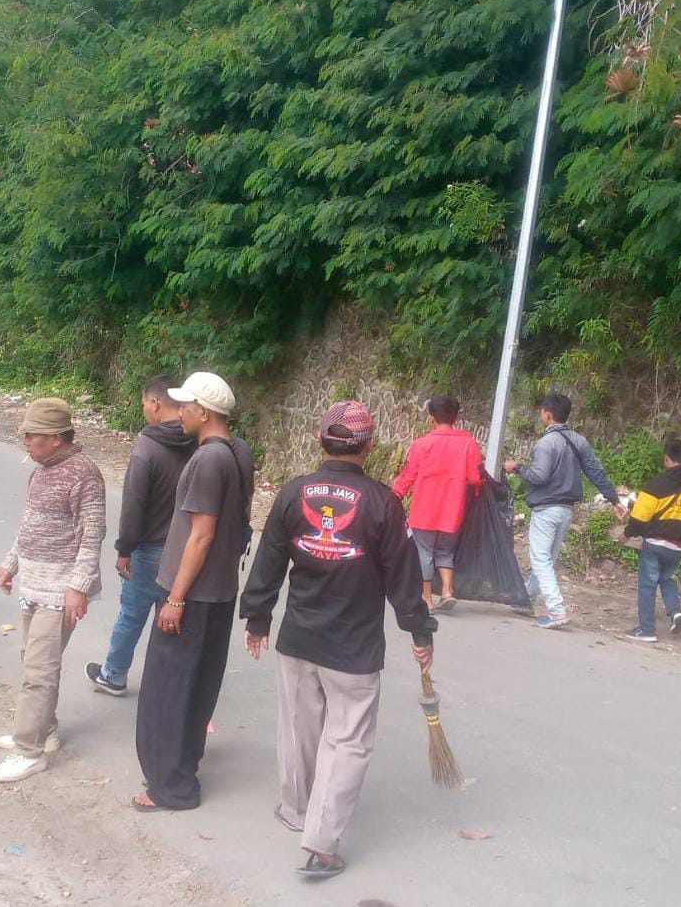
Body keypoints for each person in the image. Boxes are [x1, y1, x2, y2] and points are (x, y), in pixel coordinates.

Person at [241, 400, 436, 879]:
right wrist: (418, 629)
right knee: (347, 740)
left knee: (298, 728)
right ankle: (323, 846)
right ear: (369, 445)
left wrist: (257, 618)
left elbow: (268, 560)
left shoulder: (292, 493)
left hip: (298, 639)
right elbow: (402, 575)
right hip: (353, 649)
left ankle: (295, 809)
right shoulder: (384, 503)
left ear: (319, 440)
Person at [133, 371, 253, 813]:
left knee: (168, 690)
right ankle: (182, 767)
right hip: (220, 592)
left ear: (204, 412)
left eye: (185, 407)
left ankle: (170, 788)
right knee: (198, 685)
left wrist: (176, 598)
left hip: (192, 594)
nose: (178, 413)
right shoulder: (239, 452)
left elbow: (201, 535)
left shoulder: (206, 461)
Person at [0, 398, 106, 783]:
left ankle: (29, 751)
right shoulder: (40, 471)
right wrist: (11, 563)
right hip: (34, 582)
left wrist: (79, 586)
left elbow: (93, 535)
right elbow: (31, 524)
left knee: (39, 670)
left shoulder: (84, 475)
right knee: (32, 660)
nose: (25, 440)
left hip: (61, 588)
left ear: (56, 438)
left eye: (32, 435)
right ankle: (47, 730)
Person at [85, 375, 195, 696]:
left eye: (145, 403)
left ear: (156, 403)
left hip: (148, 550)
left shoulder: (148, 445)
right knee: (174, 616)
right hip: (187, 550)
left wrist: (124, 549)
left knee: (132, 615)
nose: (144, 409)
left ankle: (113, 675)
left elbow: (134, 504)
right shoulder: (199, 440)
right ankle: (169, 686)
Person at [503, 392, 625, 629]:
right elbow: (595, 471)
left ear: (547, 415)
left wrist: (516, 467)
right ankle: (525, 598)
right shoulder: (579, 441)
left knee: (540, 559)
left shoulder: (545, 443)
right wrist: (614, 499)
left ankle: (557, 611)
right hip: (566, 511)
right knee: (547, 559)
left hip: (546, 509)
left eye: (542, 411)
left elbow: (539, 476)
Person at [391, 395, 483, 611]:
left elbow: (408, 475)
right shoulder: (468, 444)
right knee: (445, 551)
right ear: (456, 417)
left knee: (423, 551)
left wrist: (395, 494)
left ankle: (426, 599)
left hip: (424, 510)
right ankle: (447, 592)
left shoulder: (421, 445)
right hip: (453, 509)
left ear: (431, 418)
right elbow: (476, 478)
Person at [620, 435, 681, 642]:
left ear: (667, 459)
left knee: (648, 585)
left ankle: (647, 630)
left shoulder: (657, 484)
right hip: (677, 548)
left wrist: (627, 534)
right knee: (665, 578)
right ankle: (675, 612)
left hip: (655, 543)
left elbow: (640, 517)